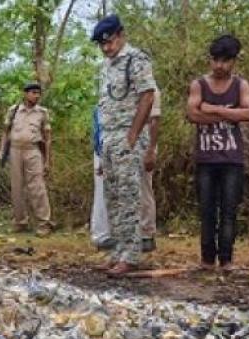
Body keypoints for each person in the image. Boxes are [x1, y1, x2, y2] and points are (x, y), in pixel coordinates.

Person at [92, 15, 157, 276]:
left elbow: (148, 96)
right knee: (113, 195)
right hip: (108, 138)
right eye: (101, 45)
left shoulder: (136, 60)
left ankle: (131, 254)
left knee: (129, 196)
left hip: (127, 136)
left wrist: (133, 135)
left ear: (121, 35)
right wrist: (101, 143)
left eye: (109, 42)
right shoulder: (106, 66)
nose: (106, 48)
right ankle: (118, 250)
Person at [187, 35, 249, 271]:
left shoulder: (240, 85)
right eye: (215, 60)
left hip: (232, 159)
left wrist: (212, 109)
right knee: (206, 211)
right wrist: (230, 112)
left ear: (234, 61)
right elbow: (193, 114)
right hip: (206, 159)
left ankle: (226, 260)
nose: (219, 66)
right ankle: (207, 259)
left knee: (229, 210)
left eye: (225, 61)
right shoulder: (199, 85)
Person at [91, 90, 161, 252]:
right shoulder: (113, 87)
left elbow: (154, 120)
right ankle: (117, 236)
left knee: (142, 189)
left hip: (140, 143)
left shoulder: (149, 89)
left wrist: (150, 150)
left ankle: (146, 234)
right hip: (115, 144)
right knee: (115, 192)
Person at [1, 82, 52, 237]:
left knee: (37, 187)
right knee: (16, 188)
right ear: (25, 94)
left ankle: (44, 223)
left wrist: (48, 160)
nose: (36, 96)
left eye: (38, 93)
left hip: (33, 151)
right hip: (15, 151)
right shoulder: (13, 110)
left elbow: (48, 138)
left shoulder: (42, 113)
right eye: (33, 92)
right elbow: (5, 132)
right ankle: (20, 222)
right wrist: (2, 151)